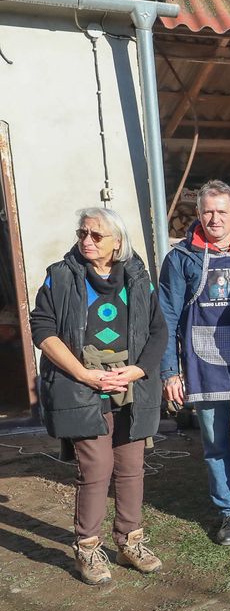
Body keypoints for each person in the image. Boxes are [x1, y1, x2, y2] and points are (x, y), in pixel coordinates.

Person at [31, 208, 167, 584]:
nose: (86, 241)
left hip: (130, 385)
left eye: (96, 235)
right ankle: (88, 548)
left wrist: (138, 371)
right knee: (96, 468)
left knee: (131, 467)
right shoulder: (61, 276)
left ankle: (129, 542)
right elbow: (42, 329)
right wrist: (83, 374)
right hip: (80, 384)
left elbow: (158, 330)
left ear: (117, 242)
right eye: (82, 233)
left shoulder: (138, 277)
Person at [158, 180, 230, 546]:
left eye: (222, 211)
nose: (215, 219)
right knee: (215, 443)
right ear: (198, 214)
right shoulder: (181, 258)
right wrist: (169, 372)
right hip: (204, 359)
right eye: (208, 212)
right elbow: (167, 317)